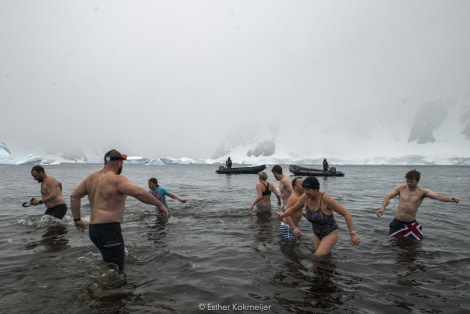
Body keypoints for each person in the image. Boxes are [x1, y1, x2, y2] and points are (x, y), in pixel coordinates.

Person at [70, 149, 168, 272]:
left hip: (94, 230)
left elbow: (74, 196)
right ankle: (97, 289)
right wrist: (160, 205)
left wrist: (77, 219)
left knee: (109, 261)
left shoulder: (91, 178)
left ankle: (105, 287)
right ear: (118, 163)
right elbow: (138, 193)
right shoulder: (117, 179)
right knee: (115, 269)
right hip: (108, 229)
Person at [279, 176, 360, 257]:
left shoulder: (325, 199)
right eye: (304, 189)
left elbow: (346, 213)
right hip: (316, 233)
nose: (306, 192)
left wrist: (353, 234)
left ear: (316, 189)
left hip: (330, 232)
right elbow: (293, 209)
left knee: (317, 257)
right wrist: (283, 215)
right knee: (321, 256)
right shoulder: (305, 197)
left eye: (308, 190)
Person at [377, 169, 459, 240]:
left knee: (414, 248)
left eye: (411, 181)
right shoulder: (401, 188)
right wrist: (383, 208)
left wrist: (449, 199)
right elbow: (388, 197)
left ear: (417, 181)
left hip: (411, 224)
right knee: (393, 244)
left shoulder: (422, 192)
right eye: (407, 181)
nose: (409, 183)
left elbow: (437, 196)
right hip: (397, 222)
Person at [279, 177, 304, 241]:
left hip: (290, 227)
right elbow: (287, 214)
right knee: (290, 247)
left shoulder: (300, 197)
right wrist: (294, 229)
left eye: (304, 183)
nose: (304, 186)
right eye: (301, 184)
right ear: (295, 187)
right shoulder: (294, 198)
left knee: (293, 246)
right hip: (287, 227)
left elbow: (295, 210)